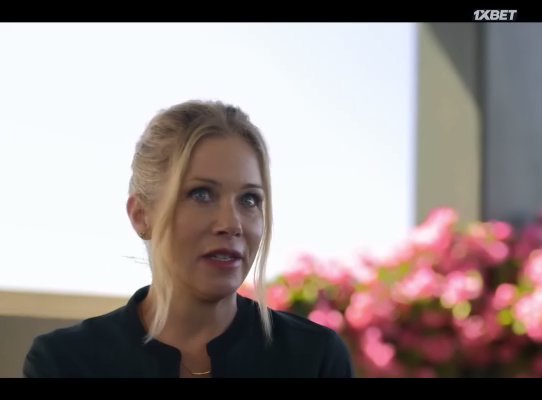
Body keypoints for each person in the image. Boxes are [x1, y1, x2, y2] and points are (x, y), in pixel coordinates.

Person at [23, 100, 355, 378]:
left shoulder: (315, 358)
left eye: (249, 199)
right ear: (141, 215)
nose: (231, 224)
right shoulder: (65, 362)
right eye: (201, 194)